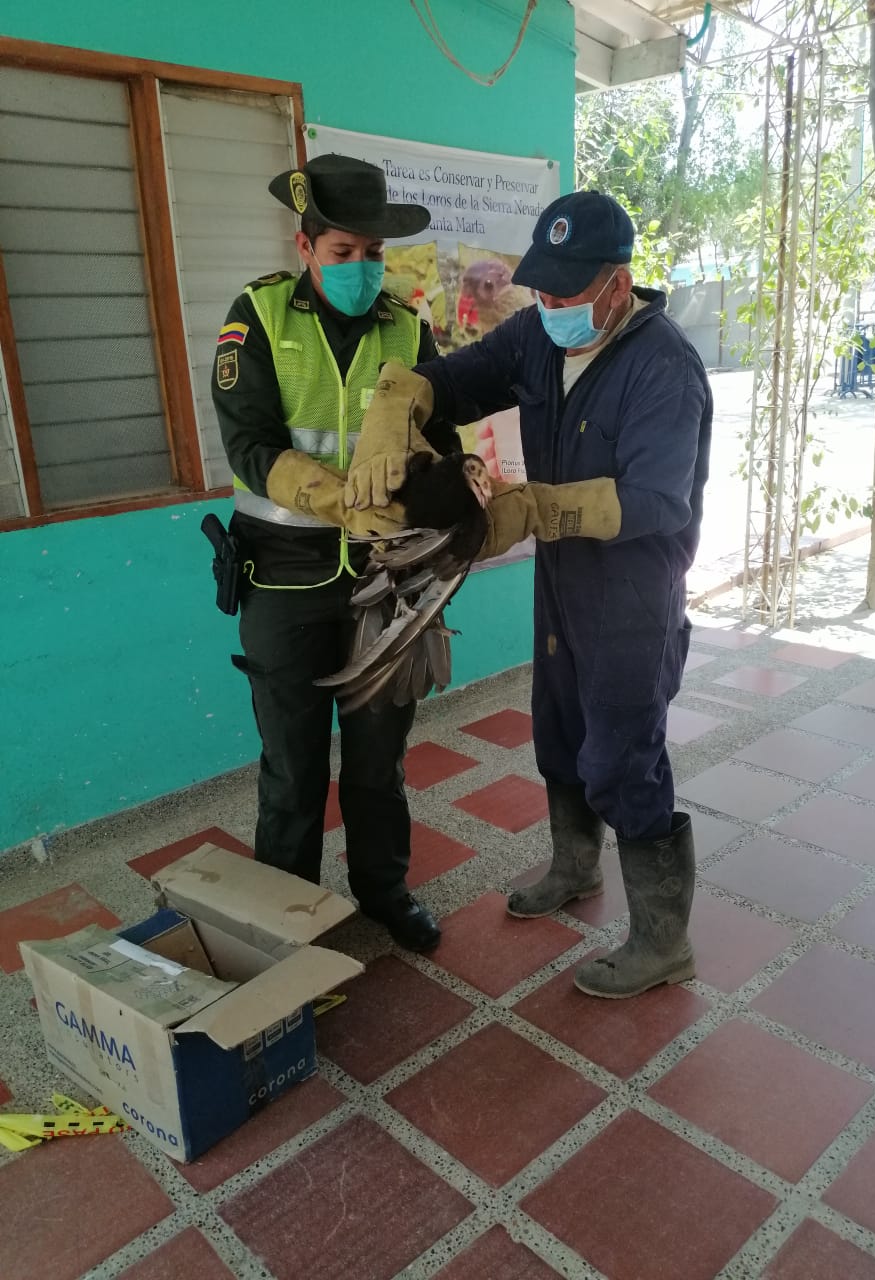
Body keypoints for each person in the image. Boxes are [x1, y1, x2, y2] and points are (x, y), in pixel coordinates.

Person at [348, 190, 712, 997]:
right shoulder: (540, 335)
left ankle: (663, 941)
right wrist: (397, 398)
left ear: (618, 286)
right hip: (563, 581)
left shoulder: (665, 369)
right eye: (541, 291)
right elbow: (459, 374)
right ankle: (575, 868)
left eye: (567, 295)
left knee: (624, 758)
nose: (548, 308)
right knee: (559, 732)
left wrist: (536, 508)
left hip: (632, 595)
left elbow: (660, 502)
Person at [210, 153, 463, 953]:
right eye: (343, 252)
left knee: (378, 762)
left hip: (387, 581)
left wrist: (454, 490)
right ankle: (285, 923)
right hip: (284, 578)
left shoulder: (406, 326)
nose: (361, 268)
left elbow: (440, 439)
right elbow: (248, 444)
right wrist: (338, 500)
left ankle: (383, 891)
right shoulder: (257, 317)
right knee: (291, 768)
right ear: (306, 247)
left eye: (373, 253)